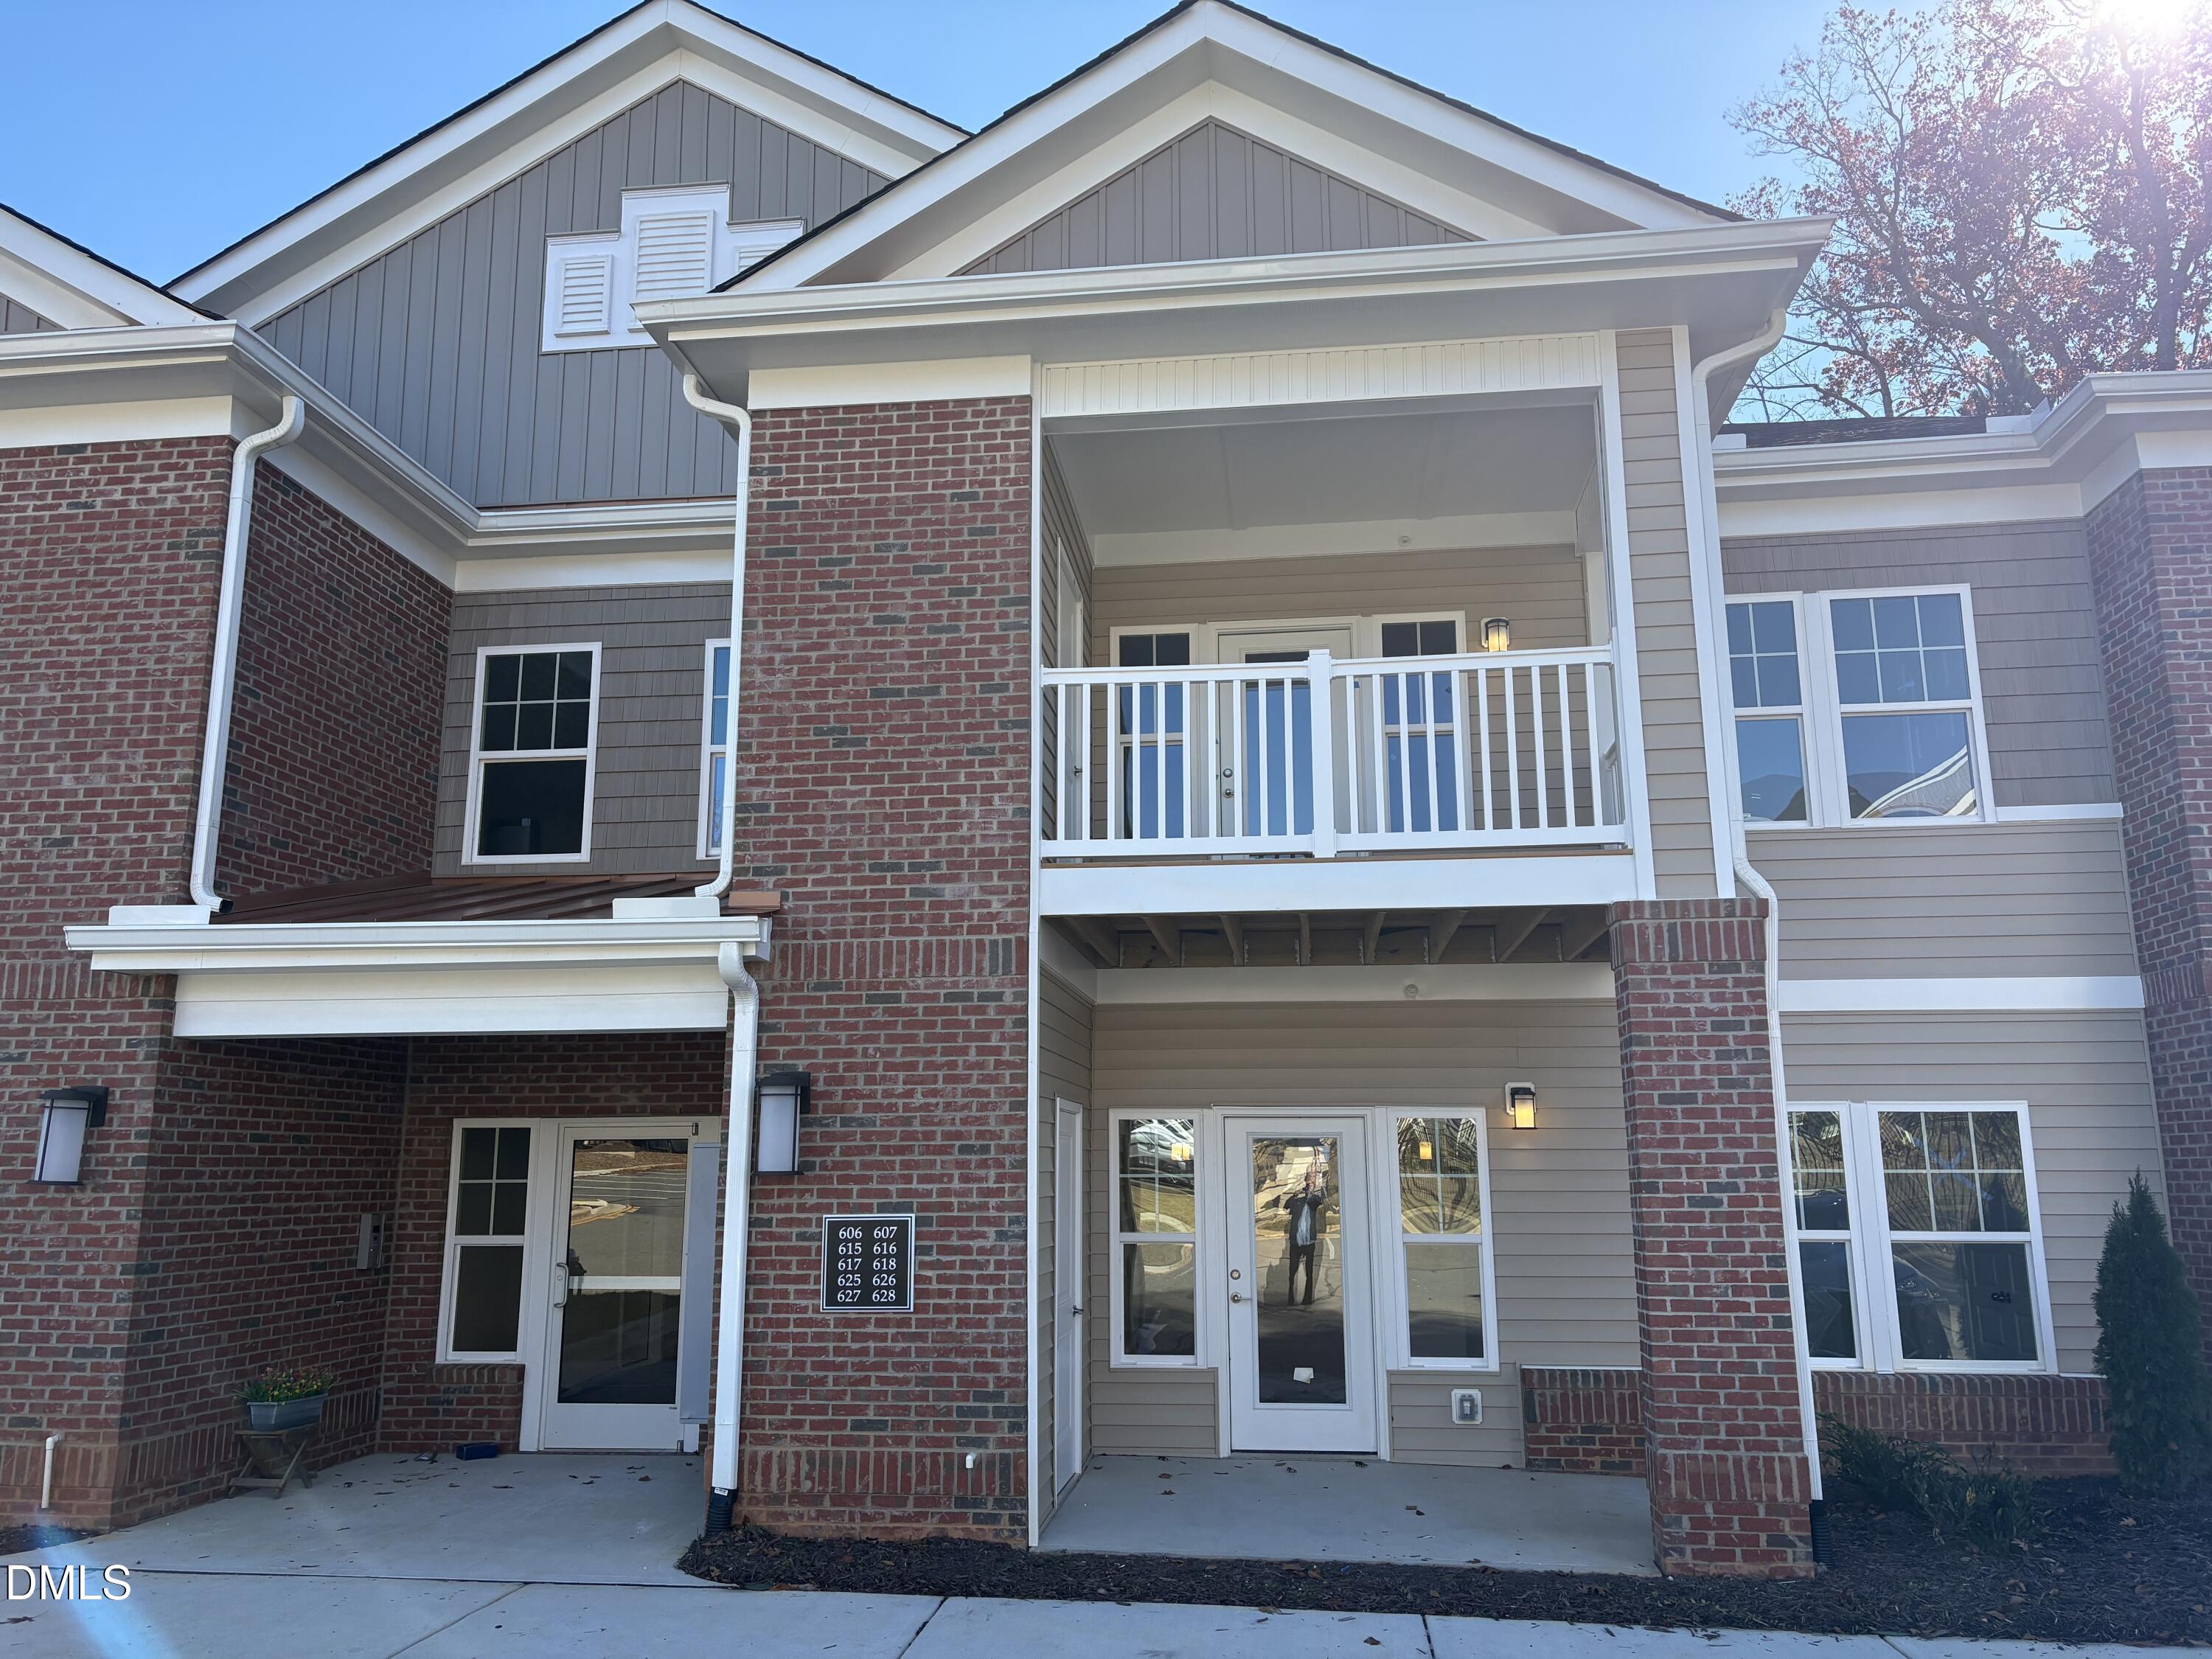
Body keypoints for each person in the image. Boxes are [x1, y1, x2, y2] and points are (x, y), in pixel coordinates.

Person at [1283, 1168, 1326, 1306]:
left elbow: (1315, 1203)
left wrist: (1310, 1193)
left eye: (1313, 1180)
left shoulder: (1315, 1198)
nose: (1311, 1182)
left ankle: (1307, 1299)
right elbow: (1286, 1206)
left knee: (1309, 1271)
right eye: (1309, 1180)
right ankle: (1290, 1297)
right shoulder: (1298, 1200)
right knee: (1292, 1272)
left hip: (1309, 1241)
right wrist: (1296, 1194)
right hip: (1296, 1241)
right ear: (1305, 1181)